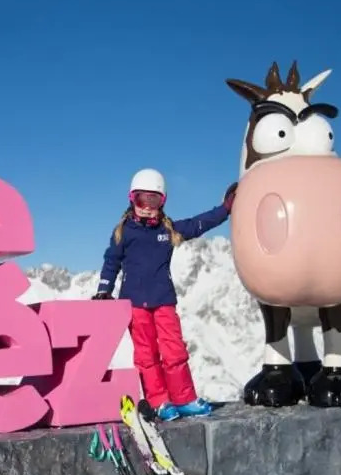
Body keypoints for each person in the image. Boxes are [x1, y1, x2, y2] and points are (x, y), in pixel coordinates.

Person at [92, 168, 237, 422]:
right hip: (135, 304)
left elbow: (197, 224)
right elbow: (111, 261)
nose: (148, 208)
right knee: (146, 355)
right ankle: (159, 401)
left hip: (163, 302)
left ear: (163, 202)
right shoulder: (123, 232)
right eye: (142, 200)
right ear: (132, 199)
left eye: (154, 200)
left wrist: (225, 209)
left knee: (174, 351)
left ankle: (184, 399)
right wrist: (104, 289)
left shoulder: (167, 230)